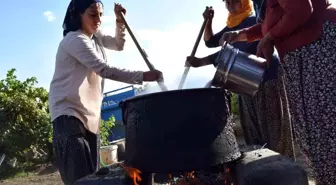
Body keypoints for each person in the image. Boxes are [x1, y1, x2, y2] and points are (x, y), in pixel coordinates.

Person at [221, 0, 336, 184]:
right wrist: (240, 35)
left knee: (324, 127)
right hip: (300, 56)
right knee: (312, 132)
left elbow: (301, 9)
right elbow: (272, 23)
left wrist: (269, 38)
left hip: (316, 49)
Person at [49, 0, 162, 184]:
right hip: (68, 114)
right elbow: (104, 69)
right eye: (93, 15)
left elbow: (119, 44)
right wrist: (143, 76)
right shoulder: (74, 40)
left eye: (101, 15)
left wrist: (119, 21)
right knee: (80, 180)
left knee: (92, 178)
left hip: (90, 116)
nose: (98, 20)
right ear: (78, 15)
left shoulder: (96, 37)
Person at [186, 0, 295, 159]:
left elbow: (236, 50)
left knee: (274, 132)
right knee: (253, 133)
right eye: (227, 2)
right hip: (244, 84)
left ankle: (284, 171)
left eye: (234, 1)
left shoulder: (252, 21)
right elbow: (210, 42)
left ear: (244, 2)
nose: (229, 4)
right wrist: (208, 20)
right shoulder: (232, 26)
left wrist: (202, 61)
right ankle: (260, 172)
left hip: (266, 79)